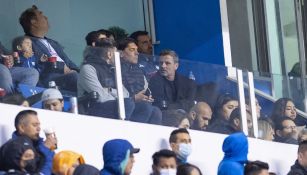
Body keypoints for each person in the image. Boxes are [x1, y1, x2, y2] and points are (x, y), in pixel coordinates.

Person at [19, 5, 79, 92]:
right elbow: (38, 64)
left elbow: (69, 62)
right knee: (75, 77)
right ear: (33, 22)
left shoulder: (53, 43)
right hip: (49, 81)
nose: (46, 17)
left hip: (69, 75)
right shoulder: (26, 43)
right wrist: (62, 67)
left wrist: (79, 71)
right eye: (42, 15)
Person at [78, 38, 135, 119]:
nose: (118, 57)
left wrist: (109, 90)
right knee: (127, 104)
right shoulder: (88, 68)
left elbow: (126, 94)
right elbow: (101, 97)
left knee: (148, 109)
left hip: (115, 105)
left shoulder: (113, 70)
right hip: (93, 109)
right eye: (116, 53)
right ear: (109, 55)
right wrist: (117, 95)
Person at [118, 38, 162, 125]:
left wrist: (147, 96)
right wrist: (134, 98)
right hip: (124, 106)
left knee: (156, 111)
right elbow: (117, 93)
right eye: (132, 50)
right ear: (121, 53)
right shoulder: (116, 69)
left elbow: (145, 88)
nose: (137, 53)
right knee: (146, 107)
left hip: (141, 104)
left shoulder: (138, 69)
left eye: (137, 50)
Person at [11, 110, 57, 175]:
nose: (39, 128)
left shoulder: (40, 145)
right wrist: (45, 148)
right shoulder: (13, 149)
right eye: (34, 125)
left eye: (39, 125)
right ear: (22, 128)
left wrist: (51, 150)